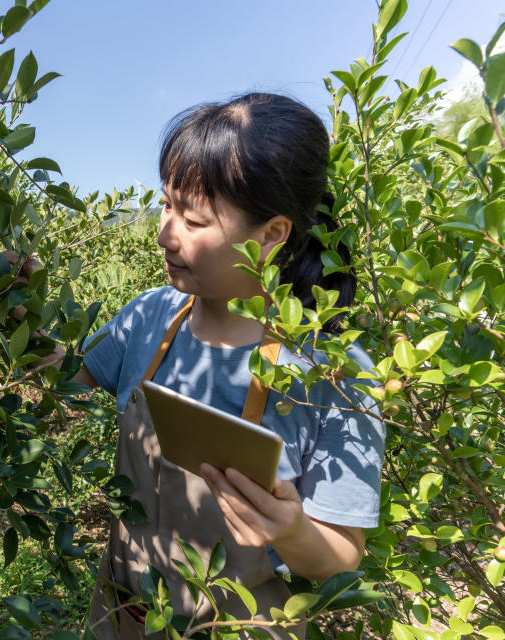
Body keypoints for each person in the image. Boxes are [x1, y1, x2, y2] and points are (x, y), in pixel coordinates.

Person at [76, 93, 386, 639]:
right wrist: (13, 305)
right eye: (166, 205)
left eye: (193, 219)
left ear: (272, 233)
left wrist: (292, 532)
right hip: (121, 615)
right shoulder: (151, 314)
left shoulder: (335, 375)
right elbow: (62, 386)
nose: (165, 234)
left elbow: (341, 559)